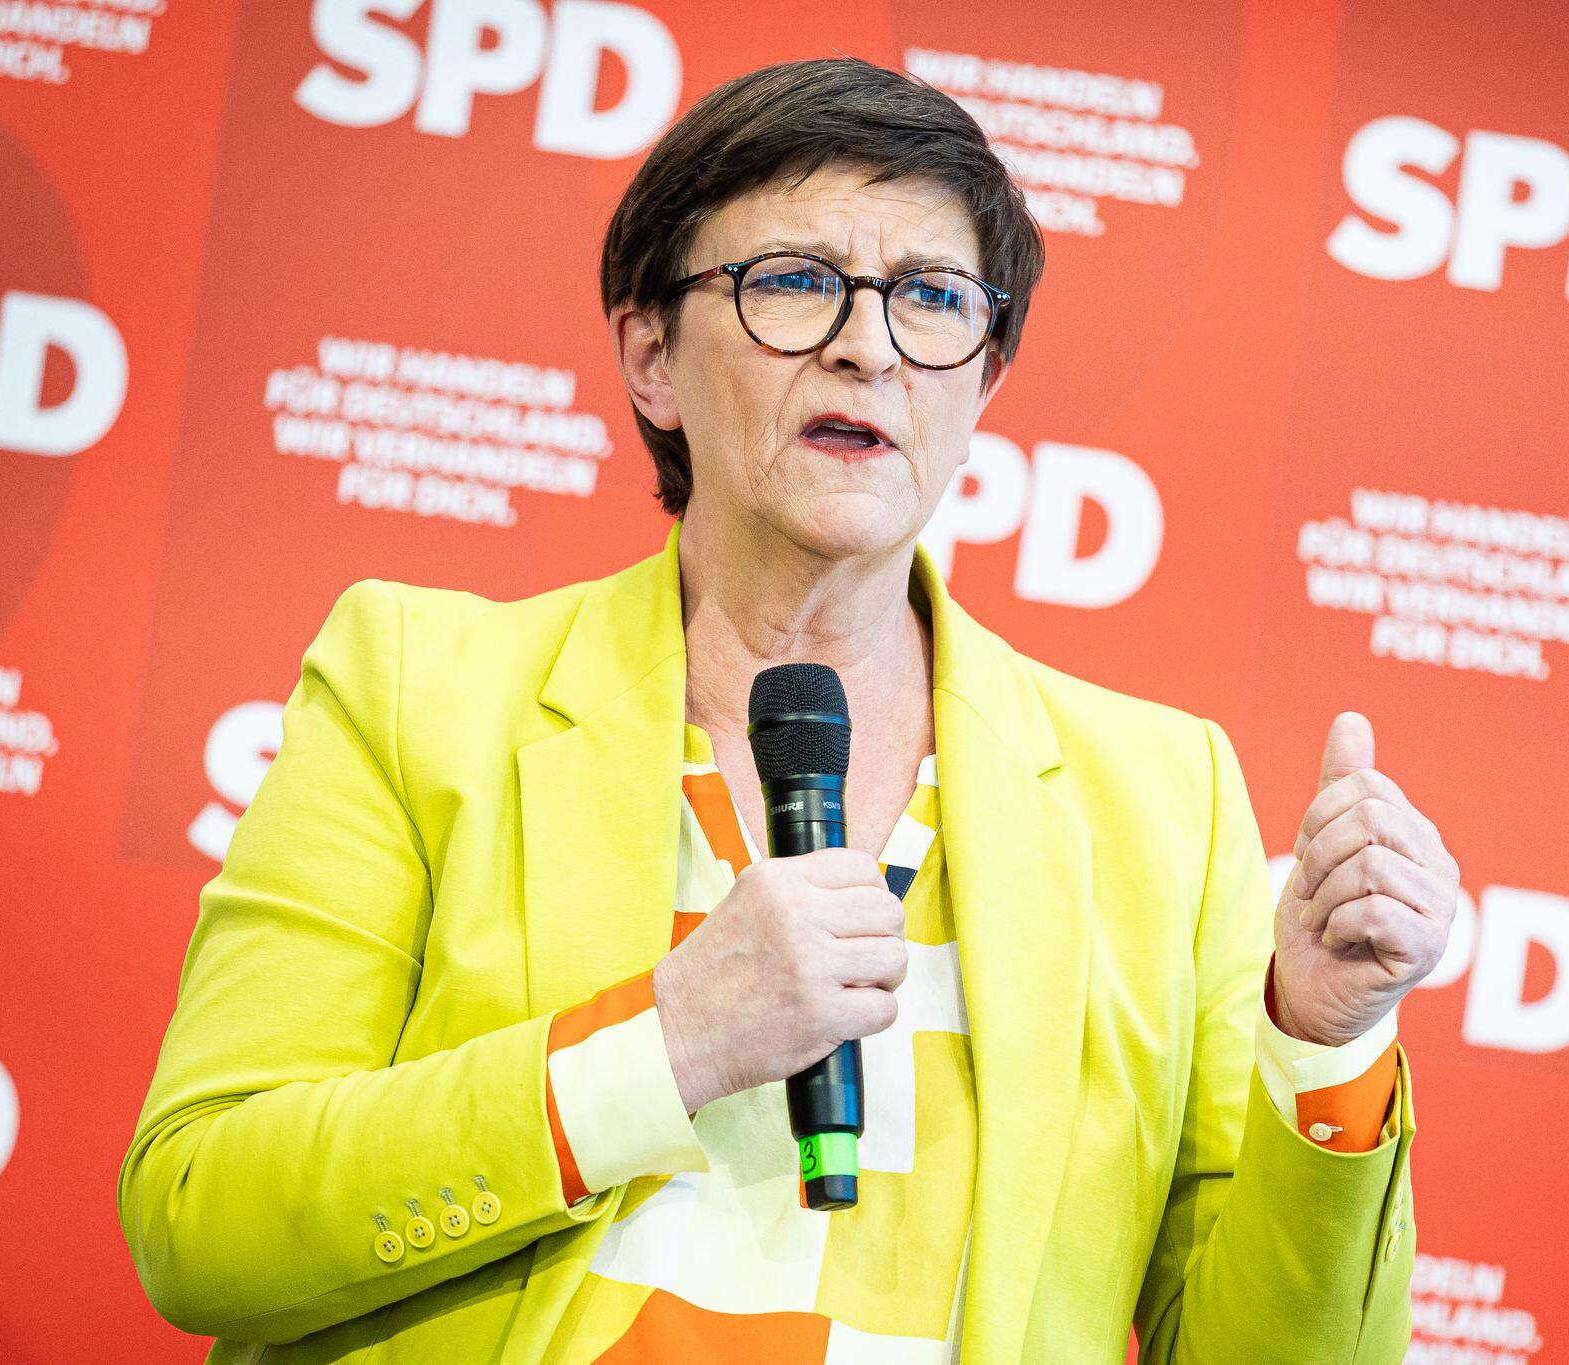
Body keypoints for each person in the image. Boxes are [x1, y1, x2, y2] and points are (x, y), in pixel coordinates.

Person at [118, 56, 1459, 1363]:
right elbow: (203, 1213)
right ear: (651, 354)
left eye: (932, 297)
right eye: (797, 281)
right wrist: (665, 1045)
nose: (867, 347)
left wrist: (1325, 1047)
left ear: (985, 381)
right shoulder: (419, 690)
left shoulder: (1164, 803)